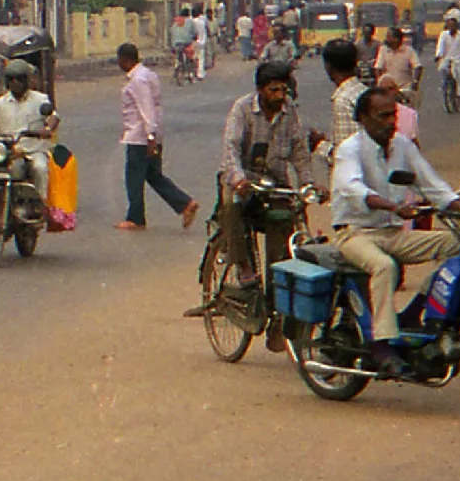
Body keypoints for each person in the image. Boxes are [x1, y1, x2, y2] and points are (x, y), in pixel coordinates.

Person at [331, 86, 460, 375]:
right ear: (363, 119)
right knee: (384, 266)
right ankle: (381, 344)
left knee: (459, 246)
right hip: (355, 234)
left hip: (393, 233)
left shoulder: (403, 146)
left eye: (393, 115)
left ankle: (417, 310)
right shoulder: (349, 150)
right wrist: (394, 208)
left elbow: (431, 184)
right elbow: (354, 189)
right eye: (382, 116)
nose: (390, 123)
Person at [218, 62, 323, 347]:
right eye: (274, 89)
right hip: (243, 179)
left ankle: (278, 310)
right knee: (233, 207)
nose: (280, 95)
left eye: (283, 89)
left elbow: (300, 152)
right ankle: (242, 265)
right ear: (261, 90)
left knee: (286, 228)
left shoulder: (290, 113)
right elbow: (230, 149)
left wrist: (308, 184)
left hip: (275, 183)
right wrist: (239, 178)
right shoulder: (242, 110)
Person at [115, 43, 198, 231]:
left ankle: (135, 218)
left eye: (120, 60)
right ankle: (185, 204)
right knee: (153, 175)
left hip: (140, 136)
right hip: (150, 133)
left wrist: (150, 136)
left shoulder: (138, 80)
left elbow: (147, 109)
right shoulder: (148, 74)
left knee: (134, 177)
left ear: (126, 60)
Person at [0, 59, 58, 203]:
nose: (15, 82)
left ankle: (40, 204)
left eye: (20, 79)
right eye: (11, 79)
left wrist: (47, 129)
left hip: (31, 150)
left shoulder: (40, 99)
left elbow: (53, 117)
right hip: (7, 152)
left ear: (27, 80)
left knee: (40, 168)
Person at [314, 40, 370, 173]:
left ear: (328, 66)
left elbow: (344, 157)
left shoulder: (343, 101)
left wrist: (320, 145)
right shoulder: (364, 91)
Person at [374, 26, 422, 106]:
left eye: (389, 37)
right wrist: (379, 82)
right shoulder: (383, 50)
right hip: (388, 90)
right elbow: (378, 68)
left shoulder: (408, 50)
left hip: (404, 89)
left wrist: (415, 82)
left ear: (397, 39)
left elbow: (418, 67)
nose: (386, 39)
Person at [434, 15, 460, 105]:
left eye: (453, 26)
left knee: (458, 77)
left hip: (457, 59)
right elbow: (440, 46)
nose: (451, 28)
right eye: (450, 26)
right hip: (446, 58)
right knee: (442, 69)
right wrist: (438, 55)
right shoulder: (443, 35)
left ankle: (459, 95)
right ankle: (445, 86)